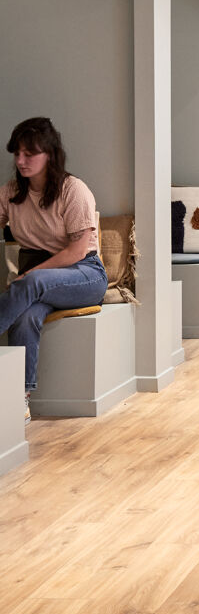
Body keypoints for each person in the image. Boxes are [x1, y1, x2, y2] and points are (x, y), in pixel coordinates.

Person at [0, 117, 108, 419]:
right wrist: (33, 275)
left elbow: (76, 250)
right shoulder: (10, 193)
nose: (21, 161)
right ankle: (19, 398)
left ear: (49, 154)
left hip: (84, 274)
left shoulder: (74, 190)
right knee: (25, 317)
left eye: (29, 154)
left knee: (30, 284)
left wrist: (32, 275)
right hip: (39, 278)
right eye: (17, 153)